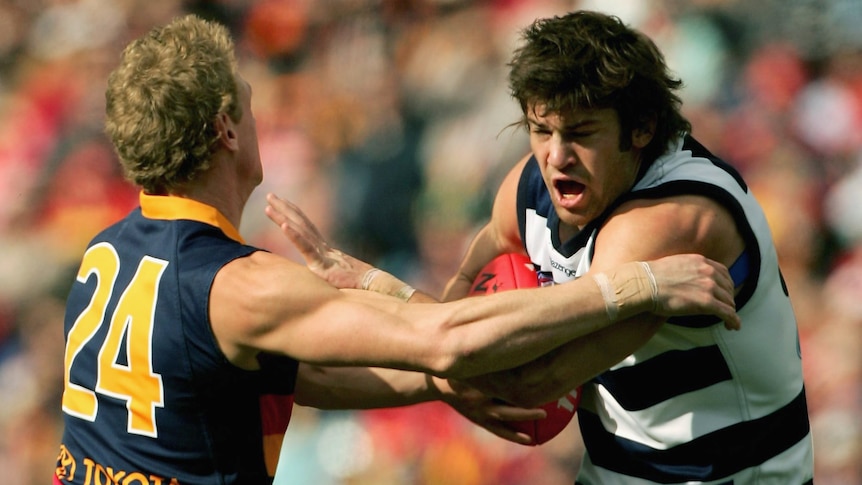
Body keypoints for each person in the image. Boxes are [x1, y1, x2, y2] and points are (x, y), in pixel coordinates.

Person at [53, 14, 740, 485]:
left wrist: (439, 386)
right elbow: (442, 336)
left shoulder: (103, 252)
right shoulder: (240, 286)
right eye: (251, 104)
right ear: (227, 128)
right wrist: (634, 285)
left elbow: (289, 377)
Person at [435, 10, 812, 485]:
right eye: (541, 129)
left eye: (580, 133)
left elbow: (538, 381)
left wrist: (437, 358)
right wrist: (434, 350)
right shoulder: (531, 190)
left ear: (641, 128)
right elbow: (464, 288)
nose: (555, 156)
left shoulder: (666, 221)